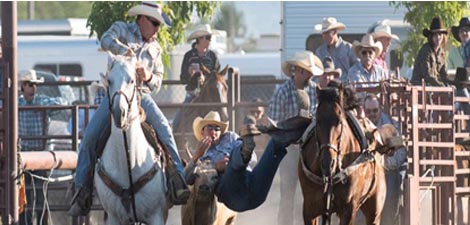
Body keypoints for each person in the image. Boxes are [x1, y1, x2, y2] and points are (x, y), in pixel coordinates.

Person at [68, 2, 190, 216]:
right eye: (154, 22)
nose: (157, 28)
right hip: (116, 93)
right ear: (142, 19)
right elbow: (105, 39)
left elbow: (158, 82)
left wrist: (147, 76)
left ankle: (177, 179)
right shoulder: (121, 29)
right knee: (89, 138)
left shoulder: (155, 47)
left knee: (164, 127)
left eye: (159, 24)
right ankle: (82, 191)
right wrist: (125, 51)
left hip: (141, 96)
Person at [268, 51, 323, 225]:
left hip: (312, 150)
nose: (311, 75)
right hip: (290, 150)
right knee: (288, 193)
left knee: (314, 193)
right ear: (299, 71)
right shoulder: (283, 92)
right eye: (308, 71)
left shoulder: (315, 90)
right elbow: (274, 124)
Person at [18, 70, 67, 225]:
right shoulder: (17, 103)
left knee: (39, 195)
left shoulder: (38, 101)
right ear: (23, 86)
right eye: (30, 85)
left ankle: (39, 222)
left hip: (36, 155)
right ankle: (26, 223)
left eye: (35, 85)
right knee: (25, 195)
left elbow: (62, 103)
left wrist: (44, 105)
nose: (34, 88)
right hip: (25, 155)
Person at [363, 94, 407, 225]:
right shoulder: (361, 127)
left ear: (380, 110)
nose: (372, 114)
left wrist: (384, 164)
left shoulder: (391, 126)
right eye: (369, 111)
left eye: (375, 110)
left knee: (389, 196)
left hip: (387, 171)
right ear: (364, 111)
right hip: (366, 174)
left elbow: (400, 152)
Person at [173, 24, 221, 130]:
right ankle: (176, 135)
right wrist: (190, 73)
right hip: (192, 94)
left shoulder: (213, 56)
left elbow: (217, 77)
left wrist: (206, 78)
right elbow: (183, 79)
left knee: (222, 113)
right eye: (208, 38)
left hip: (210, 96)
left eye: (210, 38)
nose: (210, 41)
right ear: (200, 39)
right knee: (176, 123)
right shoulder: (188, 56)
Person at [411, 17, 449, 86]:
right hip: (420, 87)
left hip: (433, 88)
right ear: (431, 36)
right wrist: (441, 85)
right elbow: (427, 75)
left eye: (440, 34)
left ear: (443, 36)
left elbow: (444, 75)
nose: (438, 38)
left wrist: (448, 85)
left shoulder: (442, 53)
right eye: (435, 34)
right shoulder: (426, 50)